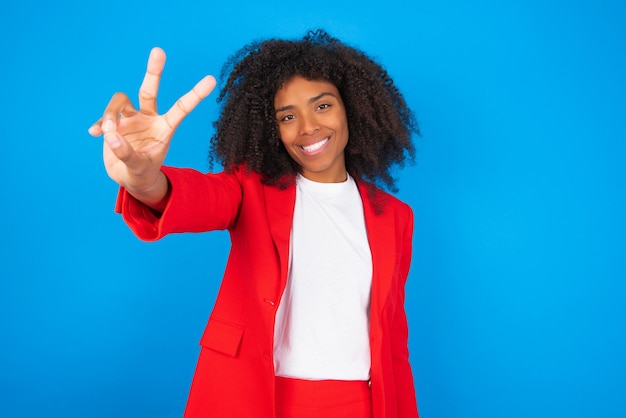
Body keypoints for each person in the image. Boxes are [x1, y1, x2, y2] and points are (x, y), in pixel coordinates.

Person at [89, 30, 420, 418]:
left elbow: (393, 344)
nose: (308, 127)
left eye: (323, 106)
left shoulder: (395, 216)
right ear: (272, 129)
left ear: (353, 108)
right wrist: (144, 178)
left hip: (360, 406)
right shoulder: (250, 190)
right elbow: (194, 198)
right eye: (288, 116)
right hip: (256, 398)